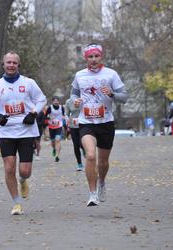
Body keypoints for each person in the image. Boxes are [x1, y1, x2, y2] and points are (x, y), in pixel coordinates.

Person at [0, 51, 47, 215]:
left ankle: (23, 180)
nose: (11, 65)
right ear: (3, 65)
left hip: (26, 131)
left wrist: (33, 113)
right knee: (8, 168)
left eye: (14, 63)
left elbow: (42, 99)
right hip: (7, 132)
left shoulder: (28, 83)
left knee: (25, 171)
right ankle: (17, 203)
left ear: (18, 65)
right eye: (8, 62)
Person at [70, 43, 128, 206]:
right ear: (86, 58)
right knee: (90, 156)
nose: (94, 60)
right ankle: (92, 194)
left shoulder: (111, 74)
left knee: (102, 162)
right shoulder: (79, 75)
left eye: (96, 56)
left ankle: (101, 181)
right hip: (86, 122)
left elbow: (124, 97)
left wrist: (112, 93)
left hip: (105, 123)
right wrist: (75, 101)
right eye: (90, 56)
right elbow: (72, 95)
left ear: (101, 56)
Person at [65, 97, 85, 171]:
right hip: (73, 125)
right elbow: (66, 114)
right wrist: (67, 120)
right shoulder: (69, 101)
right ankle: (79, 164)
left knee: (81, 142)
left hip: (83, 124)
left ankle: (84, 149)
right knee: (76, 145)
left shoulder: (84, 99)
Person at [45, 96, 65, 162]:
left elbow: (64, 115)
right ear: (52, 102)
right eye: (55, 101)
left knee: (58, 139)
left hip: (59, 125)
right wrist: (48, 118)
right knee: (53, 142)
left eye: (57, 100)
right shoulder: (49, 108)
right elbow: (45, 116)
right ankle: (54, 148)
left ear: (59, 102)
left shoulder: (61, 107)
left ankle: (57, 155)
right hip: (51, 126)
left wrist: (65, 119)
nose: (56, 102)